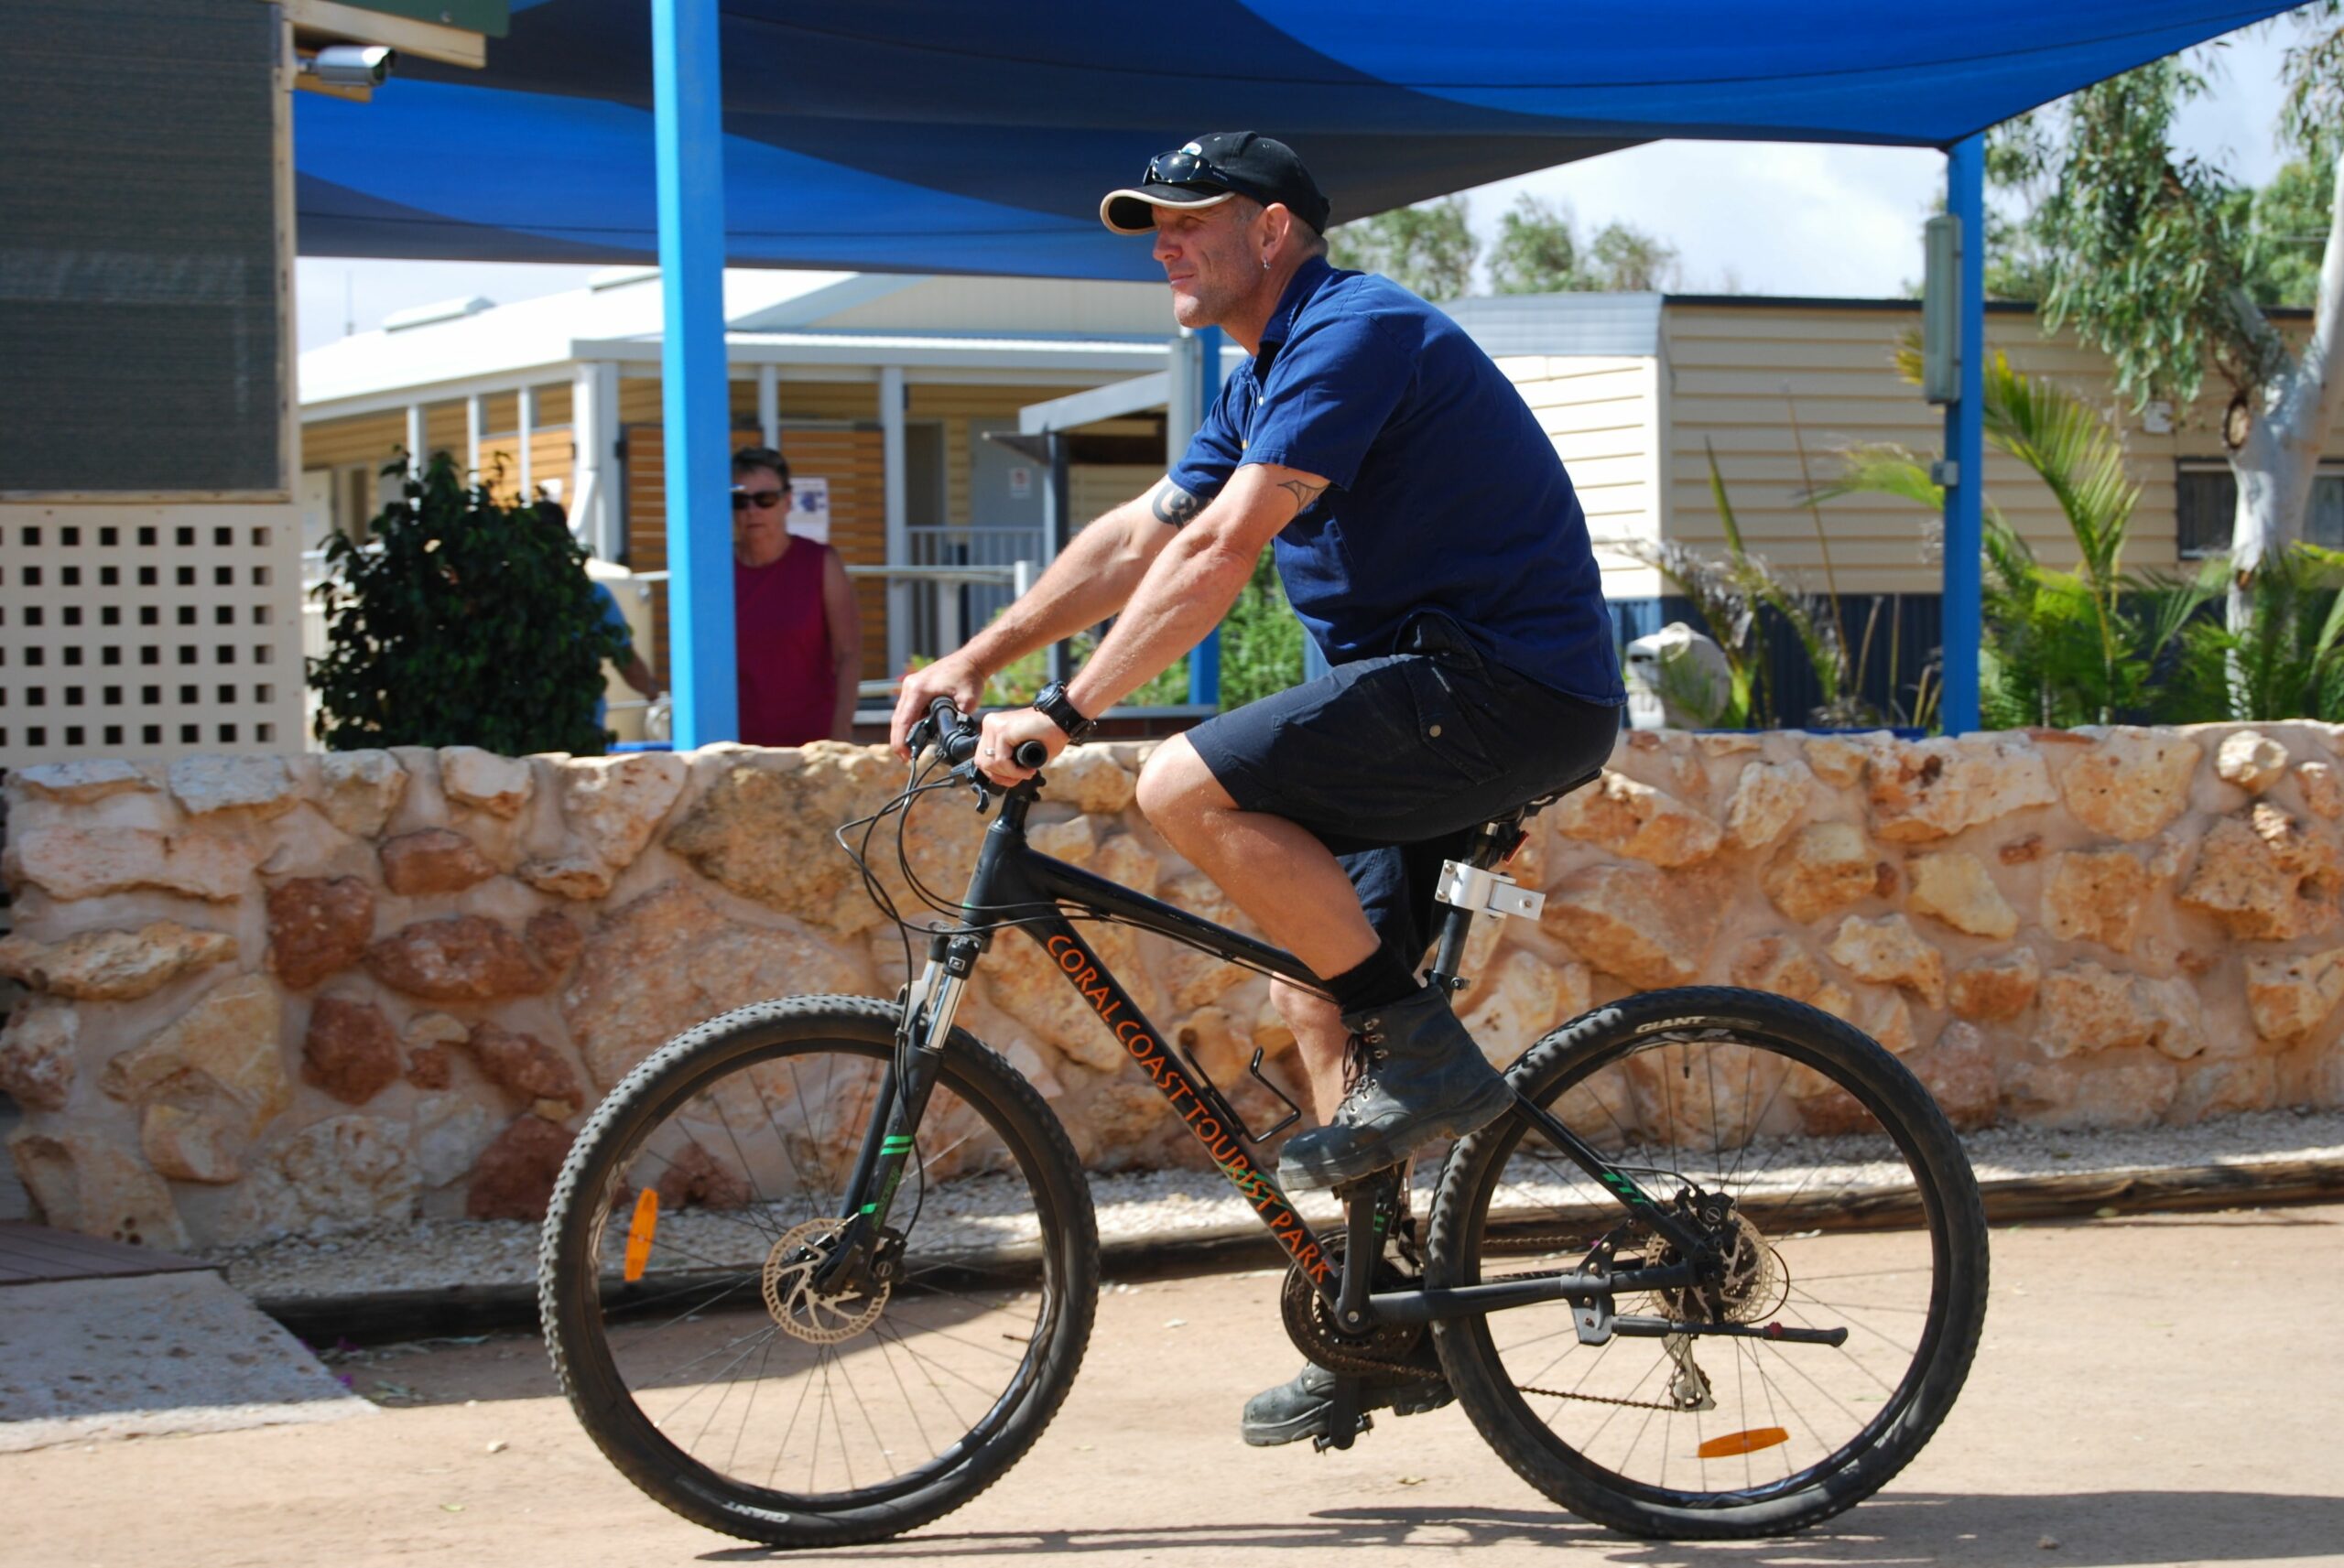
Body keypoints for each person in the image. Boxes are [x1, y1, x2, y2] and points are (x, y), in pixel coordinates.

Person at [889, 132, 1623, 1446]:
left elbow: (1228, 546)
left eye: (1186, 220)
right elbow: (1140, 535)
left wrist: (1065, 713)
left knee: (1185, 785)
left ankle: (1439, 1064)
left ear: (1274, 230)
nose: (1162, 243)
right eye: (1151, 226)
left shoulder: (1352, 335)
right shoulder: (1265, 370)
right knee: (1317, 989)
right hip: (1433, 696)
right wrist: (978, 654)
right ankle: (1380, 1320)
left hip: (1503, 688)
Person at [731, 445, 863, 745]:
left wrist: (840, 735)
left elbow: (849, 654)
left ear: (787, 501)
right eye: (740, 500)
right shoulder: (716, 576)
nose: (752, 511)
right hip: (735, 747)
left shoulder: (821, 563)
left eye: (765, 499)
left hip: (812, 745)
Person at [535, 498, 660, 736]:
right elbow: (626, 660)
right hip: (580, 729)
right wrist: (652, 690)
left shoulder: (510, 598)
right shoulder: (592, 596)